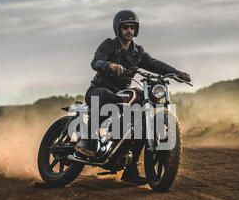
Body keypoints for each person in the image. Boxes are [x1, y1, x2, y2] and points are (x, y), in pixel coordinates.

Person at [75, 10, 191, 184]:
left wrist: (176, 73)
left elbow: (154, 64)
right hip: (99, 90)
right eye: (125, 27)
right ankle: (87, 141)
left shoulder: (138, 52)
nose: (129, 31)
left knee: (141, 124)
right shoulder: (109, 45)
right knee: (109, 98)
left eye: (132, 27)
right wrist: (109, 65)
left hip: (121, 94)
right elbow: (96, 62)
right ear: (118, 29)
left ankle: (130, 169)